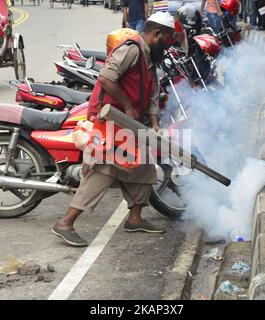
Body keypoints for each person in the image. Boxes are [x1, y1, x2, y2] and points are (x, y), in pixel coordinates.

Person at [51, 12, 175, 247]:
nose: (168, 46)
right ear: (156, 34)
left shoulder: (151, 58)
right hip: (110, 118)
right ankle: (65, 223)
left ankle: (135, 218)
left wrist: (155, 123)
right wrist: (127, 105)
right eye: (167, 39)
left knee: (144, 166)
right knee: (104, 169)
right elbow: (107, 78)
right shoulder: (131, 50)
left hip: (130, 124)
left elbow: (152, 96)